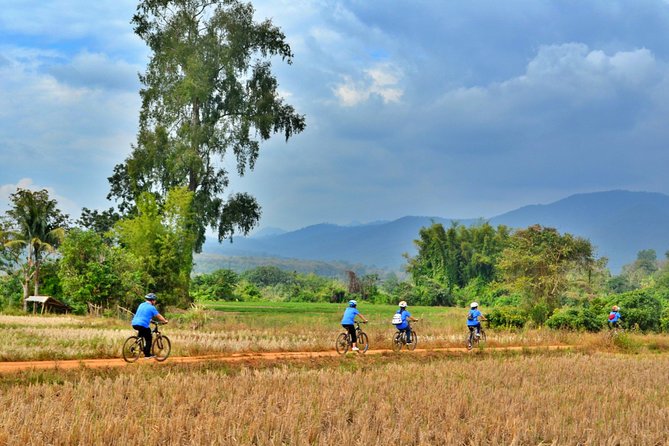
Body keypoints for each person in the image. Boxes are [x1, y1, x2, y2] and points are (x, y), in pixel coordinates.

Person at [131, 293, 168, 358]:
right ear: (152, 300)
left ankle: (139, 344)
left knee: (142, 333)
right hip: (142, 324)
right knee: (149, 338)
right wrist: (164, 320)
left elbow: (143, 314)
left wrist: (150, 320)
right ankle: (147, 354)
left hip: (134, 323)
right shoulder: (152, 308)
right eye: (155, 300)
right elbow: (158, 316)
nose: (155, 301)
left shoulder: (141, 305)